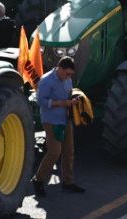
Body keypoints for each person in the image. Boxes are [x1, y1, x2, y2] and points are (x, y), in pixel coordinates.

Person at [32, 56, 86, 196]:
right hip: (51, 121)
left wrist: (74, 99)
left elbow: (68, 94)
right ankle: (38, 180)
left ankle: (68, 182)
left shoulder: (67, 79)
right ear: (60, 68)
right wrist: (63, 104)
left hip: (65, 119)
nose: (68, 77)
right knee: (54, 152)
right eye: (67, 73)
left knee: (69, 151)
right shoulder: (46, 81)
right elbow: (41, 102)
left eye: (71, 75)